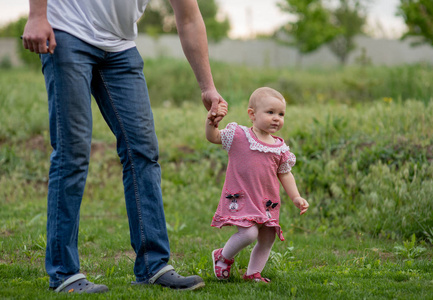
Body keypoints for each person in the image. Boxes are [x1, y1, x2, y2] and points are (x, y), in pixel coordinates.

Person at [22, 0, 227, 294]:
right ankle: (63, 273)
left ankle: (153, 266)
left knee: (143, 151)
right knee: (73, 152)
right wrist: (37, 15)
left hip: (120, 47)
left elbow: (189, 19)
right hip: (66, 32)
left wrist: (207, 86)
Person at [205, 87, 309, 283]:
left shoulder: (280, 147)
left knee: (268, 237)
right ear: (252, 114)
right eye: (270, 112)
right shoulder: (238, 136)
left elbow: (285, 174)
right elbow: (213, 137)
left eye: (281, 114)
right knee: (249, 233)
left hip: (267, 201)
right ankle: (223, 256)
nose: (276, 118)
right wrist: (211, 123)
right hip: (243, 196)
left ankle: (253, 273)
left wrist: (296, 196)